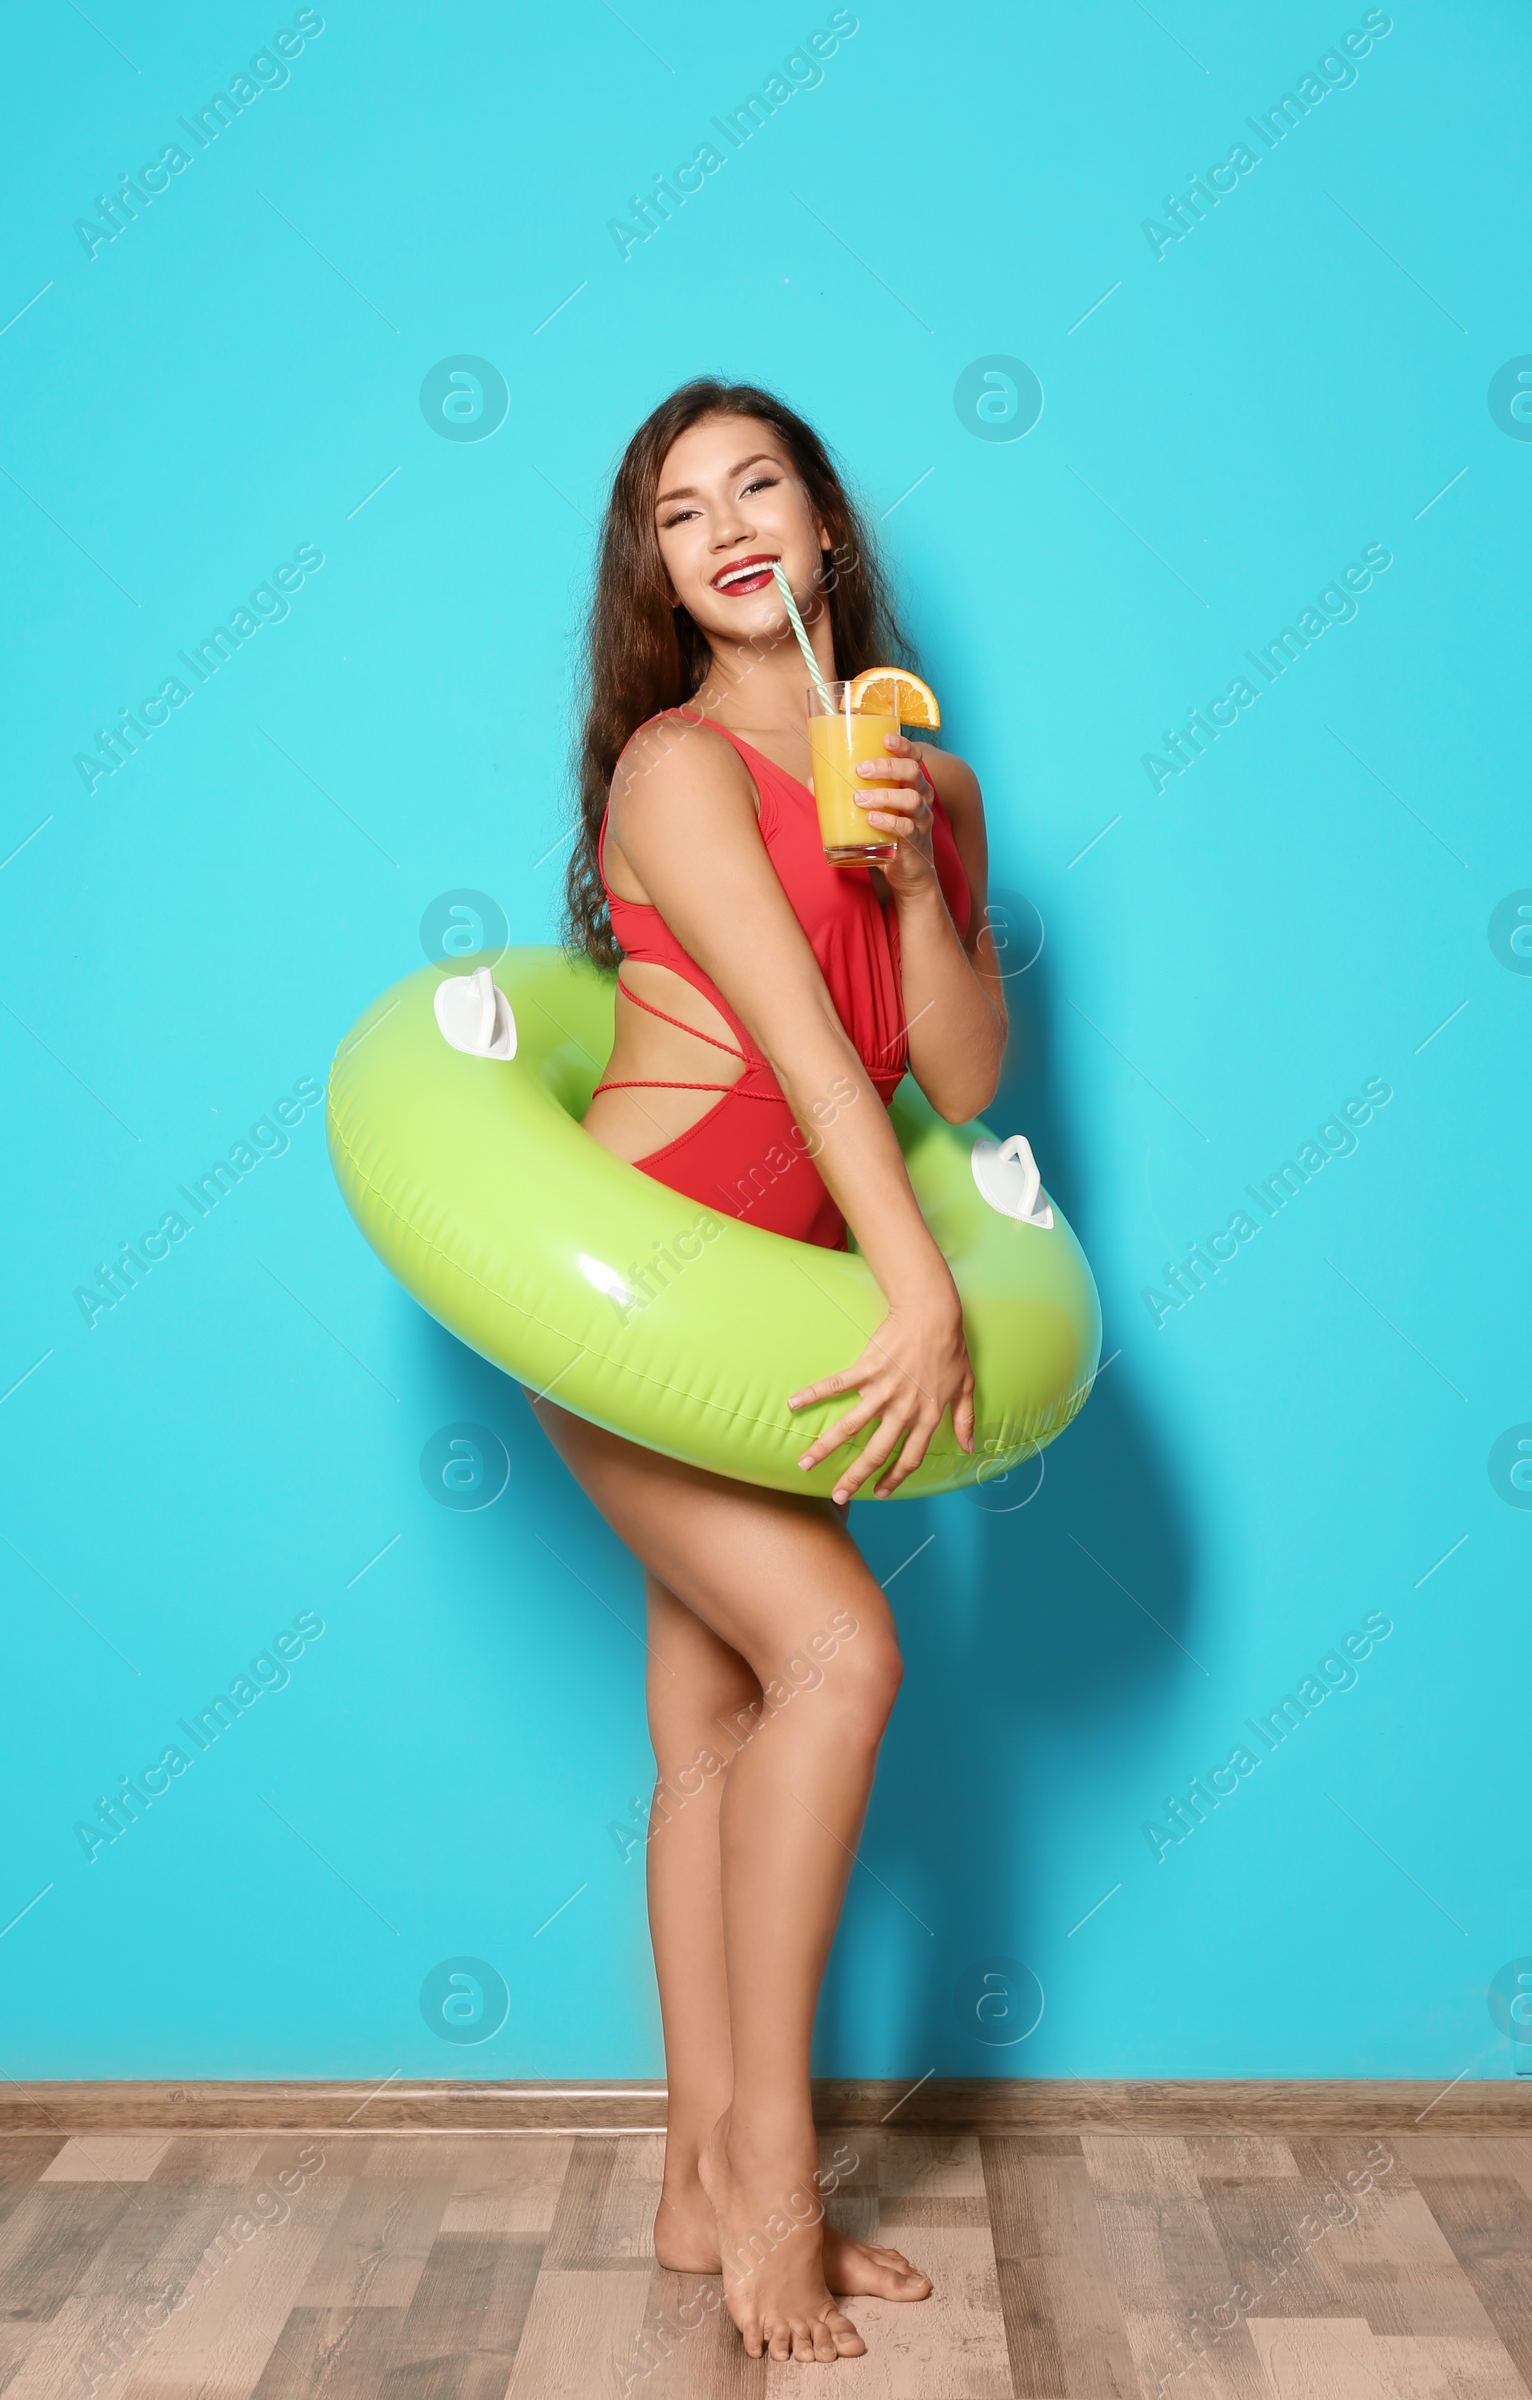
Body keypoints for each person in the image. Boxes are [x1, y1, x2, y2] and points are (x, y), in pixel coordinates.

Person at [527, 378, 1007, 2365]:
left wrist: (905, 867)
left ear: (822, 534)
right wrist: (921, 1296)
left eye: (757, 486)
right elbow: (808, 1051)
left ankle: (685, 2181)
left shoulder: (928, 783)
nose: (720, 524)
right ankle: (772, 2196)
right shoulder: (672, 768)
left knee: (712, 1729)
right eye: (673, 511)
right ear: (657, 575)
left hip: (776, 1313)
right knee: (844, 1661)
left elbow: (957, 1078)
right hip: (641, 1295)